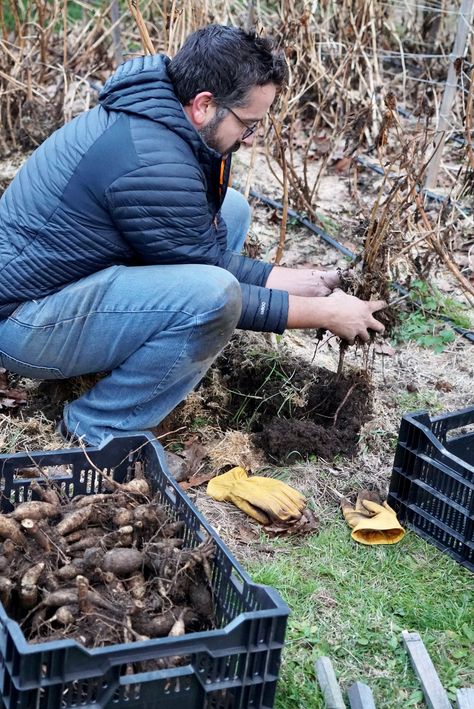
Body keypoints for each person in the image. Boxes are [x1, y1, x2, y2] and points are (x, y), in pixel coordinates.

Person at [0, 25, 386, 447]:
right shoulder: (153, 162)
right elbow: (212, 285)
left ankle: (143, 364)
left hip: (59, 293)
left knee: (233, 210)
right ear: (204, 105)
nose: (248, 138)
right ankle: (98, 429)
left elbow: (196, 251)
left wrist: (304, 283)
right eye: (248, 124)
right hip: (24, 325)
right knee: (210, 296)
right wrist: (326, 314)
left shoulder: (156, 115)